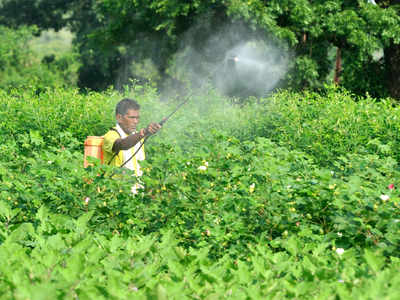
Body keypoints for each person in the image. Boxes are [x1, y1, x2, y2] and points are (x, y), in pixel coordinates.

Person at [102, 98, 161, 192]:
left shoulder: (138, 137)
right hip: (115, 195)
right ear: (119, 118)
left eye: (137, 118)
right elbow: (122, 144)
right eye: (132, 117)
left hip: (137, 196)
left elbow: (141, 169)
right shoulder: (111, 135)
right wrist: (144, 132)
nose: (136, 121)